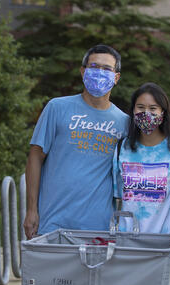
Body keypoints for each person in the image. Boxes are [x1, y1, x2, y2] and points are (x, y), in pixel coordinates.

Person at [23, 45, 129, 238]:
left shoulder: (124, 123)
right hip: (52, 221)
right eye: (94, 66)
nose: (99, 73)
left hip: (98, 227)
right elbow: (35, 158)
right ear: (83, 71)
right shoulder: (57, 108)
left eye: (106, 69)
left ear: (116, 77)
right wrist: (31, 210)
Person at [113, 82, 170, 233]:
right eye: (140, 107)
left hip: (165, 240)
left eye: (153, 108)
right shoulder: (123, 148)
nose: (146, 113)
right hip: (127, 239)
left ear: (163, 112)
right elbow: (117, 196)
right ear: (133, 110)